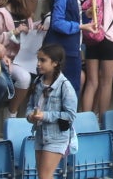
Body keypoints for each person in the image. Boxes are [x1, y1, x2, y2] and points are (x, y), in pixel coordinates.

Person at [26, 41, 80, 179]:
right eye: (38, 59)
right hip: (40, 134)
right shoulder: (37, 82)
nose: (38, 64)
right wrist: (30, 116)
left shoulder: (65, 86)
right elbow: (30, 105)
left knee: (45, 176)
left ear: (55, 63)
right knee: (42, 176)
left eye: (43, 60)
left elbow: (70, 115)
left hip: (57, 137)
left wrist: (44, 116)